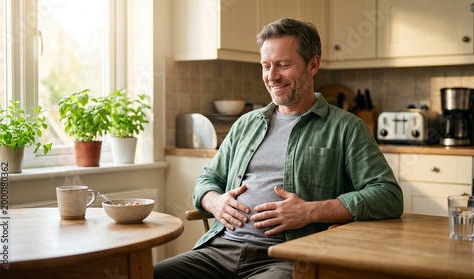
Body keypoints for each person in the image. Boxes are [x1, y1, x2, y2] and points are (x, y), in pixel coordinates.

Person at [154, 18, 403, 279]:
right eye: (266, 66)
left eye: (283, 65)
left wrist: (310, 211)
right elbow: (208, 178)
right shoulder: (246, 124)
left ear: (313, 65)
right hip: (220, 250)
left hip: (288, 257)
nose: (272, 76)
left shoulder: (347, 128)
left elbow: (388, 195)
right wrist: (214, 202)